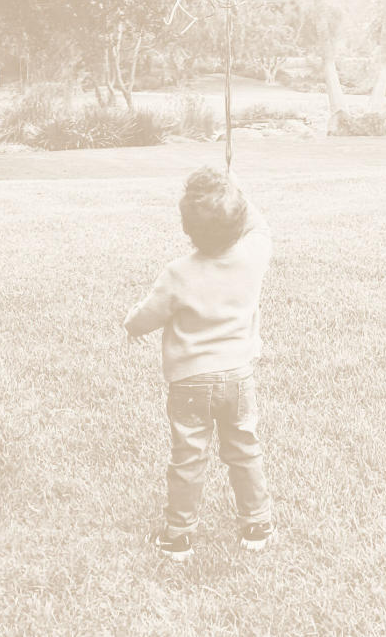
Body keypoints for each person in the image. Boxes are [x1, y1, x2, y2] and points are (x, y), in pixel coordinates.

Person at [124, 166, 274, 560]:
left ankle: (179, 535)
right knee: (244, 446)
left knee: (189, 455)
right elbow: (259, 225)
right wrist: (235, 190)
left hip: (190, 382)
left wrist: (130, 325)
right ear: (239, 220)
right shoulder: (252, 256)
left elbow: (147, 317)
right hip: (239, 375)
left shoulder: (178, 273)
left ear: (187, 230)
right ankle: (257, 523)